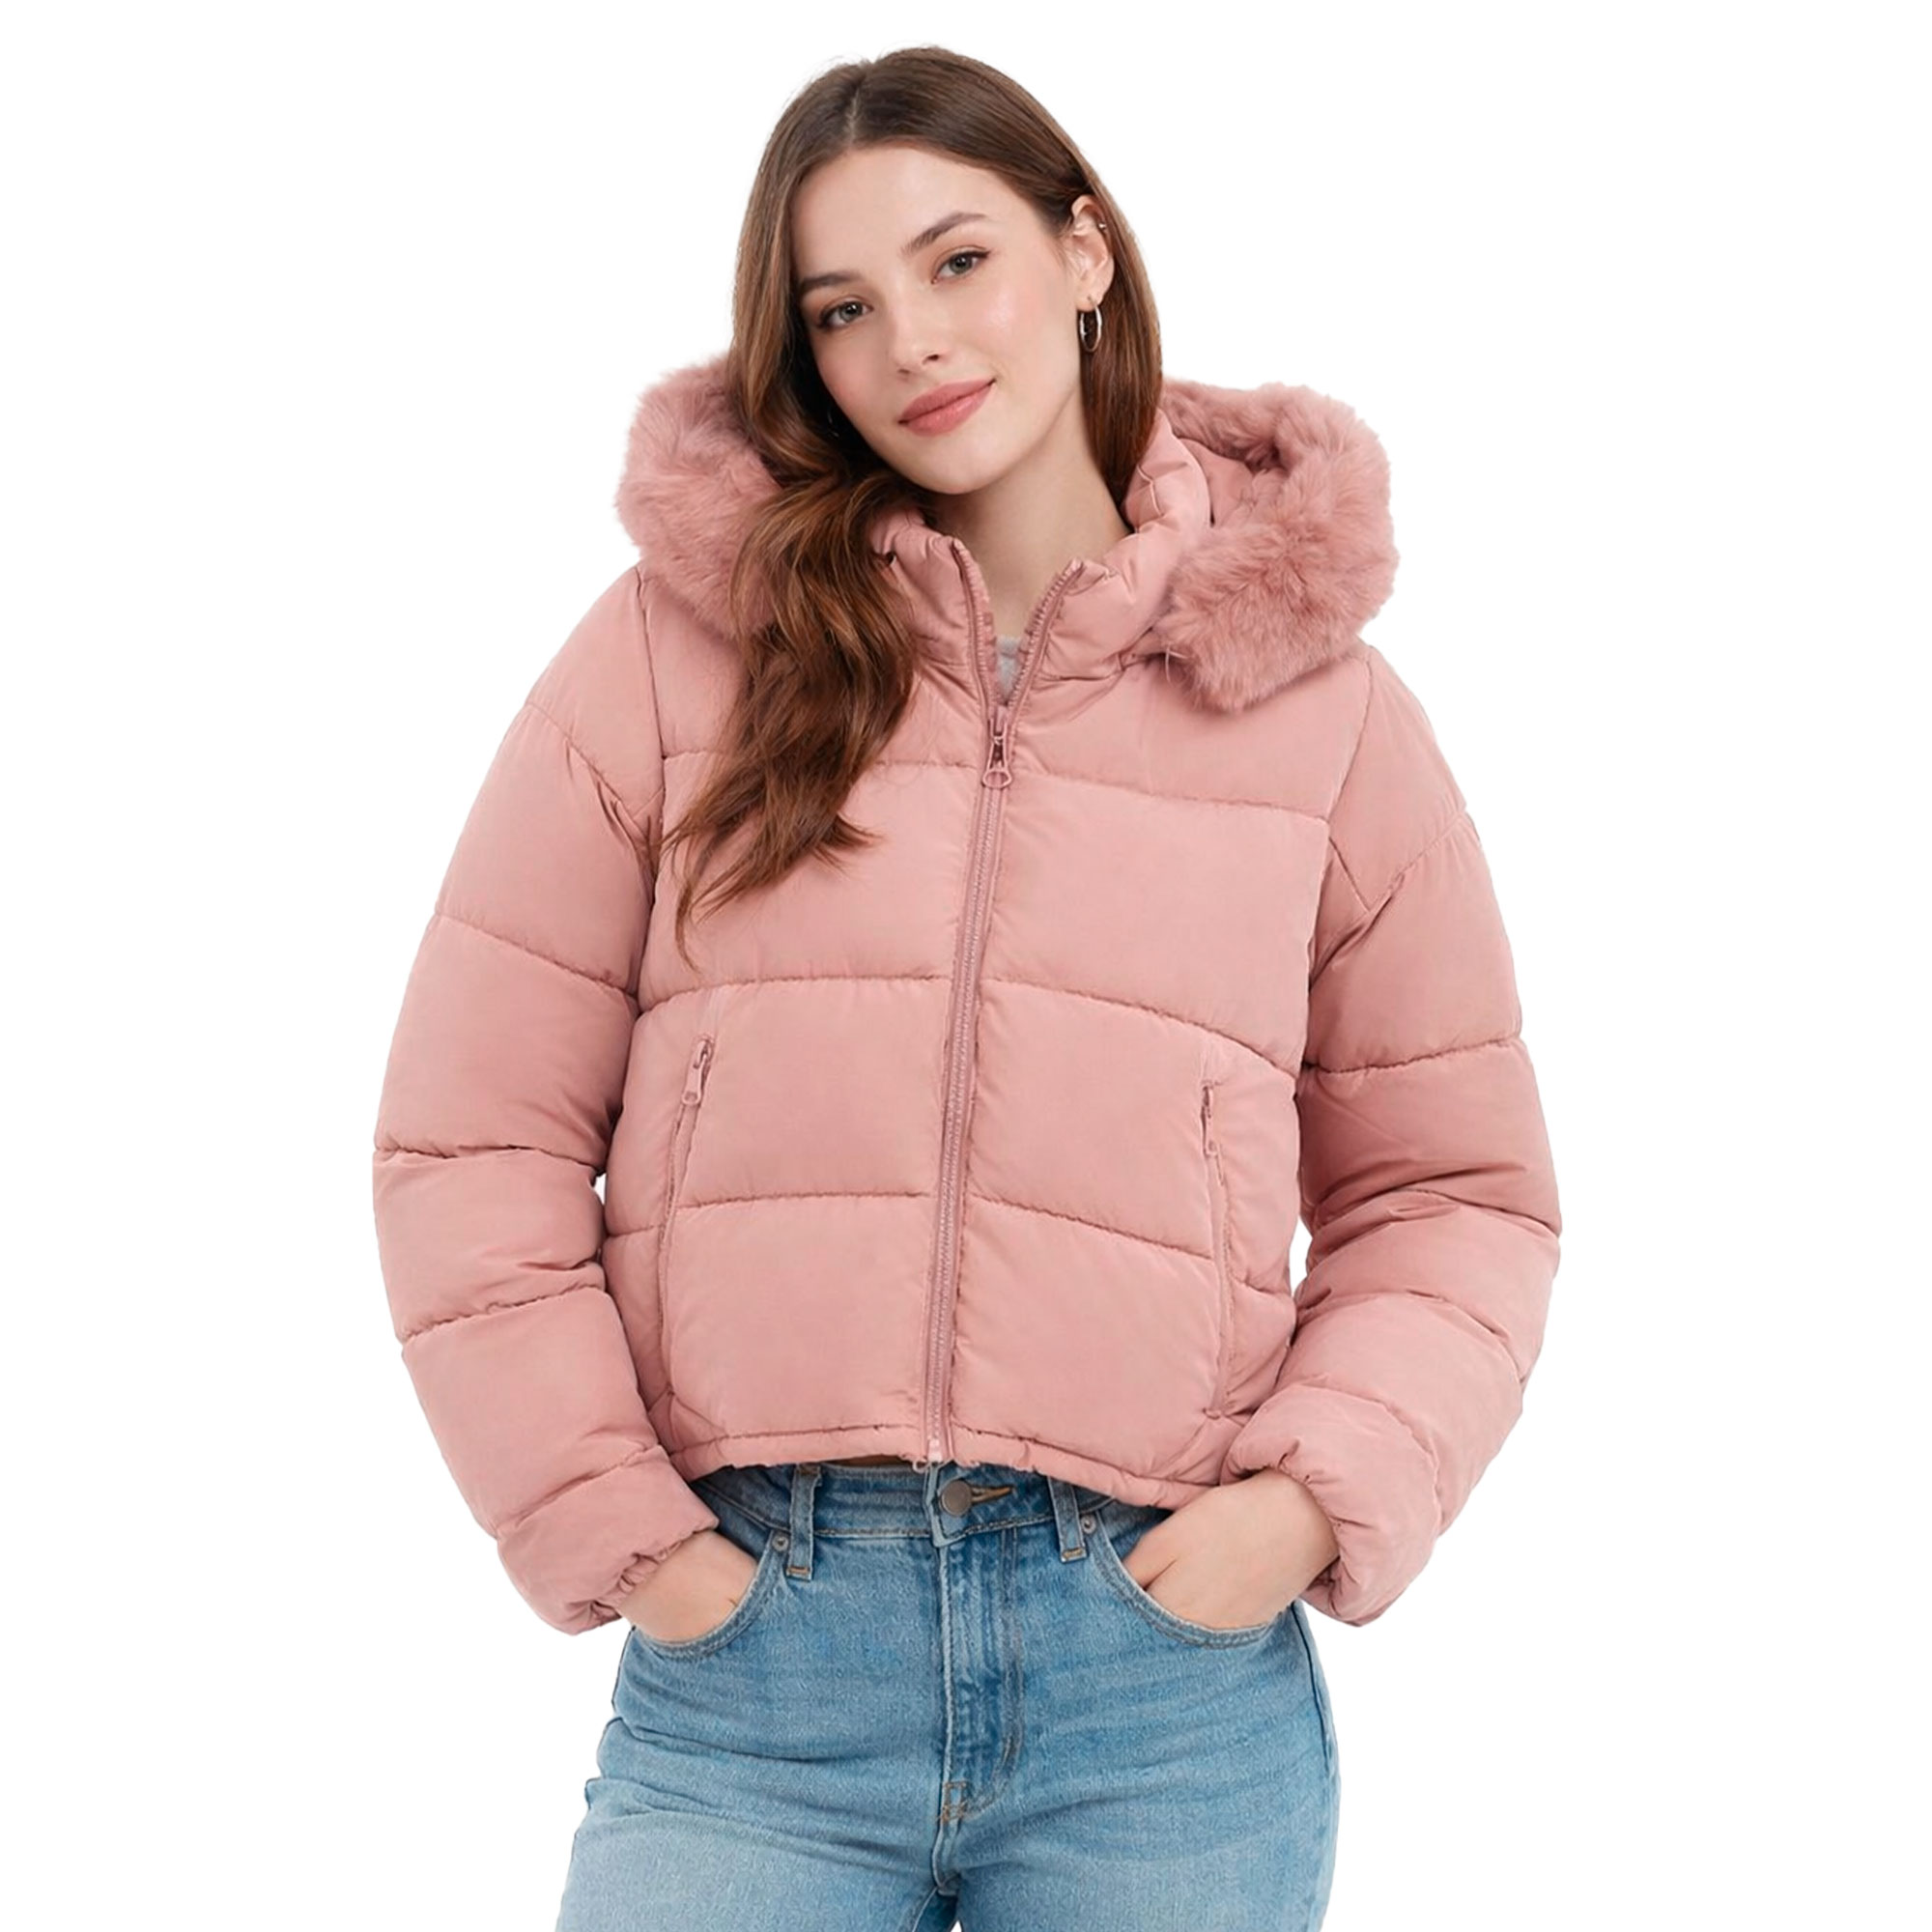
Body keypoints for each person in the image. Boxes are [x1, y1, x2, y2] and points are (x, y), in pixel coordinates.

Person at [369, 43, 1561, 1932]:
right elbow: (474, 1136)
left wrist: (1307, 1504)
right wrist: (617, 1526)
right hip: (760, 1665)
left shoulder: (1322, 715)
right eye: (840, 307)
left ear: (1083, 253)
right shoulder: (676, 658)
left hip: (1159, 1689)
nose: (909, 341)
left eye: (957, 261)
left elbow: (1455, 1194)